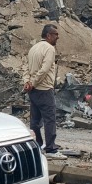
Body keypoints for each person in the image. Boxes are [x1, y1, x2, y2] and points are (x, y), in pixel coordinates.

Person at [25, 23, 61, 153]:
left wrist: (27, 82)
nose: (58, 37)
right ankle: (50, 147)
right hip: (44, 89)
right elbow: (44, 69)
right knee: (49, 119)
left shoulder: (33, 48)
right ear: (48, 35)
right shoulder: (49, 49)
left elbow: (26, 68)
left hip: (33, 90)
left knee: (35, 120)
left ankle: (37, 144)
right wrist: (33, 82)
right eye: (55, 34)